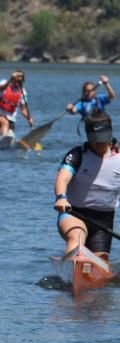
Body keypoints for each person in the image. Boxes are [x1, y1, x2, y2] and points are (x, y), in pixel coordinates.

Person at [53, 110, 120, 259]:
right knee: (76, 237)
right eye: (96, 140)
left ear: (110, 135)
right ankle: (70, 270)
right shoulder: (77, 155)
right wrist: (61, 197)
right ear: (88, 137)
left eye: (103, 139)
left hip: (104, 222)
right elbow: (62, 178)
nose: (100, 144)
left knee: (100, 262)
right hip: (74, 213)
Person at [0, 70, 33, 140]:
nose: (17, 84)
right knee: (5, 123)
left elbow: (23, 110)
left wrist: (29, 118)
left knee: (10, 134)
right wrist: (11, 78)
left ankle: (10, 143)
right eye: (15, 81)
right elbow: (1, 88)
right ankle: (2, 140)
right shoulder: (4, 83)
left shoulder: (23, 92)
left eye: (19, 82)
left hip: (11, 120)